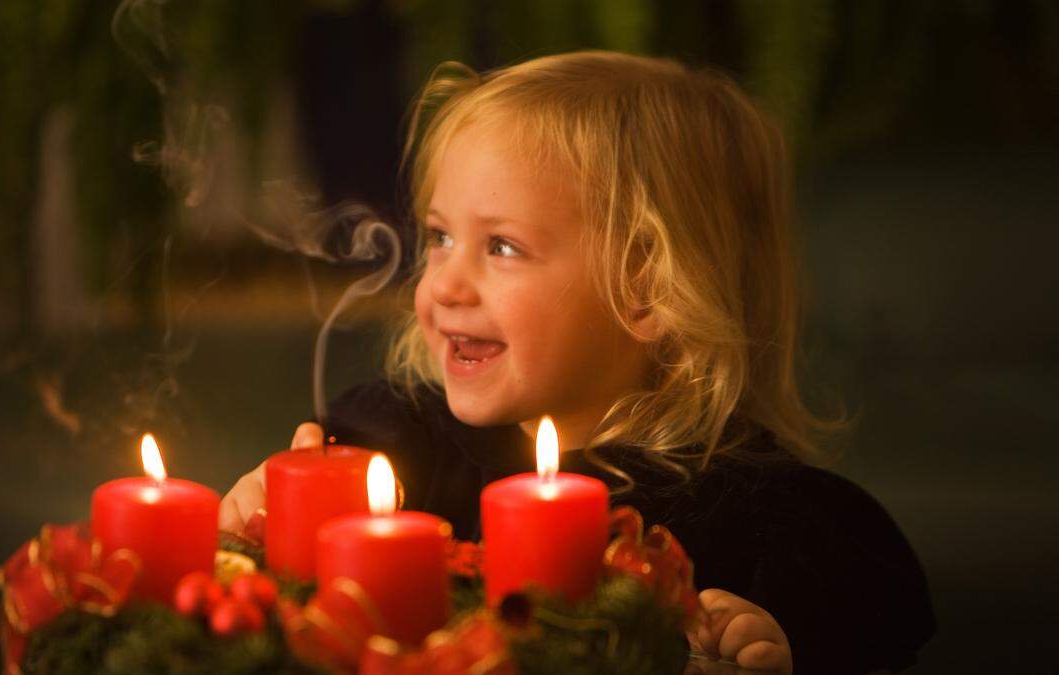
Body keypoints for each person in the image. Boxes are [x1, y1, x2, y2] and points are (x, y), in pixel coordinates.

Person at [220, 51, 935, 674]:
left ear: (648, 288)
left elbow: (876, 613)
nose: (442, 284)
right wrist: (268, 507)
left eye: (501, 246)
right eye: (439, 236)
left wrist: (768, 635)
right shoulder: (399, 441)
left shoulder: (745, 513)